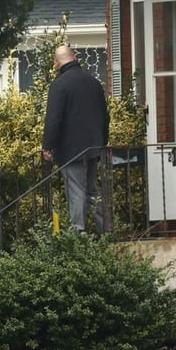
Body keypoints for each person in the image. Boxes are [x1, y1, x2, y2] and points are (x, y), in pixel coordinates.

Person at [42, 45, 111, 234]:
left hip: (70, 150)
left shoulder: (60, 85)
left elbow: (54, 118)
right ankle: (106, 231)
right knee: (92, 191)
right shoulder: (93, 83)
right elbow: (105, 116)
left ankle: (78, 234)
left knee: (76, 191)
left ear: (56, 63)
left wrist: (48, 146)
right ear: (74, 57)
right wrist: (102, 142)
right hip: (94, 147)